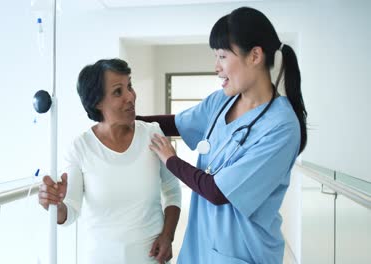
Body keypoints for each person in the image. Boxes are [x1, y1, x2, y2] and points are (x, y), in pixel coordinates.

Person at [138, 7, 307, 264]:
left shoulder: (281, 127)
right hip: (201, 248)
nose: (216, 67)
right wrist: (127, 119)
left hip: (246, 252)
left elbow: (218, 191)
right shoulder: (222, 101)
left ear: (255, 56)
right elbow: (177, 124)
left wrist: (170, 160)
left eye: (222, 56)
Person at [38, 58, 182, 264]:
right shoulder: (80, 148)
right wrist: (55, 204)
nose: (130, 97)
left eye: (129, 86)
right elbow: (69, 212)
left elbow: (172, 190)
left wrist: (168, 236)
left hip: (151, 258)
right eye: (118, 91)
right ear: (97, 102)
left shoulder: (152, 133)